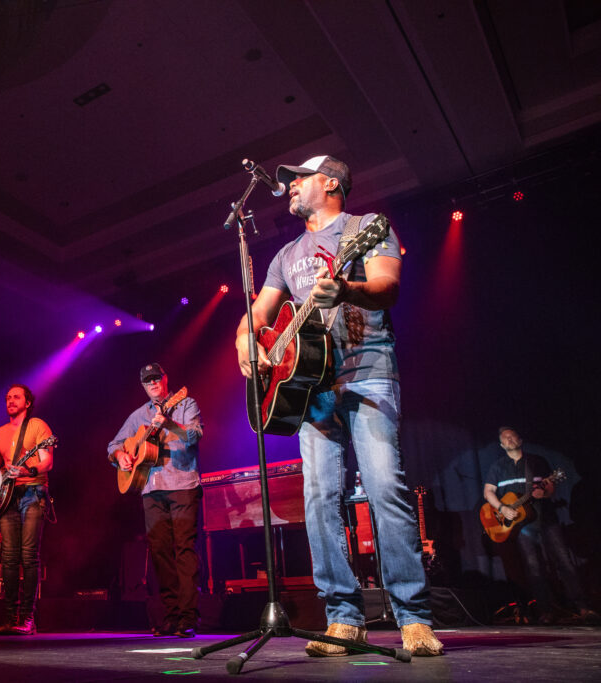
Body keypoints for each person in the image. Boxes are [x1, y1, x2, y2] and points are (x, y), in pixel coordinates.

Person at [234, 155, 442, 656]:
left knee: (383, 487)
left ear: (329, 184)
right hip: (309, 388)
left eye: (297, 179)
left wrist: (345, 289)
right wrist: (247, 342)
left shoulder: (366, 227)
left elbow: (387, 287)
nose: (288, 187)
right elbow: (255, 315)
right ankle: (343, 618)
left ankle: (413, 616)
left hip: (367, 371)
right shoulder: (285, 255)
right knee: (318, 499)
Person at [108, 363, 203, 638]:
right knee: (160, 554)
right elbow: (113, 445)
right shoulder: (138, 416)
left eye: (156, 378)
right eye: (147, 381)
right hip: (151, 488)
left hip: (183, 483)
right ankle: (170, 617)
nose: (152, 383)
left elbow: (195, 435)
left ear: (165, 379)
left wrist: (170, 424)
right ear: (143, 386)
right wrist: (120, 457)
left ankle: (187, 618)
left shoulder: (185, 403)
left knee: (184, 550)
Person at [483, 427, 598, 624]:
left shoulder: (536, 461)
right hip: (522, 527)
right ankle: (545, 611)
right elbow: (488, 493)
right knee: (533, 567)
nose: (509, 440)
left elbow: (550, 486)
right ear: (501, 445)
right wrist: (502, 508)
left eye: (512, 436)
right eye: (505, 438)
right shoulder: (497, 467)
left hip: (546, 518)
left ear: (520, 439)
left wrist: (544, 493)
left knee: (564, 562)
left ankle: (583, 607)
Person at [0, 384, 54, 635]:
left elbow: (47, 462)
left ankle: (27, 618)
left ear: (28, 403)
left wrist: (28, 471)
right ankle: (10, 616)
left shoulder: (38, 426)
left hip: (33, 492)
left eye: (16, 397)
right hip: (7, 496)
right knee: (9, 559)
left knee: (28, 556)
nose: (10, 401)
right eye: (7, 397)